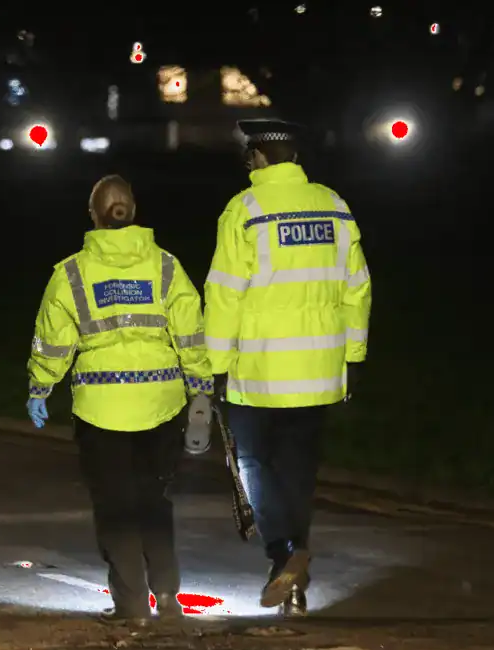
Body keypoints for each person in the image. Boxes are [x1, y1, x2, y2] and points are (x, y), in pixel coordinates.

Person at [26, 175, 213, 623]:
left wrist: (40, 387)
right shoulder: (166, 267)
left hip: (100, 410)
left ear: (93, 215)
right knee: (154, 500)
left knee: (115, 506)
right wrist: (201, 389)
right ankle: (167, 596)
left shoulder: (71, 273)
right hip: (162, 405)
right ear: (133, 211)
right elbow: (191, 334)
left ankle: (132, 604)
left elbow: (53, 342)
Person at [204, 119, 372, 617]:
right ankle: (294, 580)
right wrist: (353, 358)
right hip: (319, 369)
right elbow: (357, 289)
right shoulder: (334, 206)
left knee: (255, 464)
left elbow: (225, 296)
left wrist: (215, 366)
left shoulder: (244, 211)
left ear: (257, 156)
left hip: (259, 371)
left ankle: (284, 552)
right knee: (297, 471)